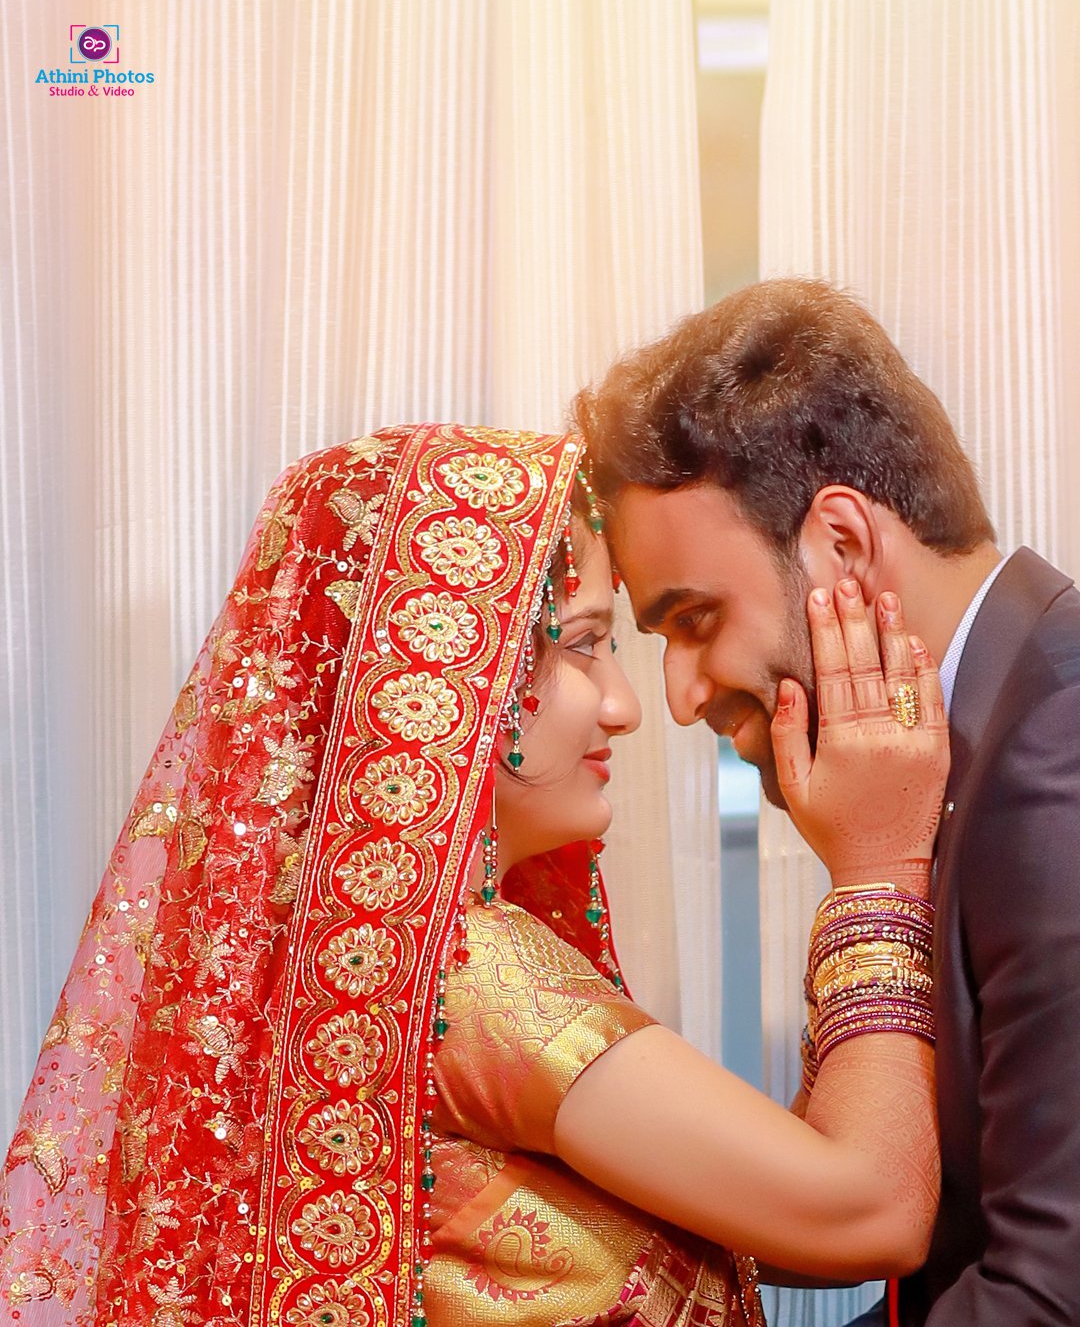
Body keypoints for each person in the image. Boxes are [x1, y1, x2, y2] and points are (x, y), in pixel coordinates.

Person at [1, 422, 947, 1327]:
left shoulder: (359, 970)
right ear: (445, 674)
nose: (624, 705)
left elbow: (771, 1205)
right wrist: (877, 870)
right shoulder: (468, 972)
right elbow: (869, 1210)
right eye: (581, 644)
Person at [579, 276, 1080, 1326]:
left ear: (844, 547)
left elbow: (1050, 1294)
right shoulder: (964, 746)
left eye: (695, 619)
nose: (676, 698)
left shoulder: (1057, 741)